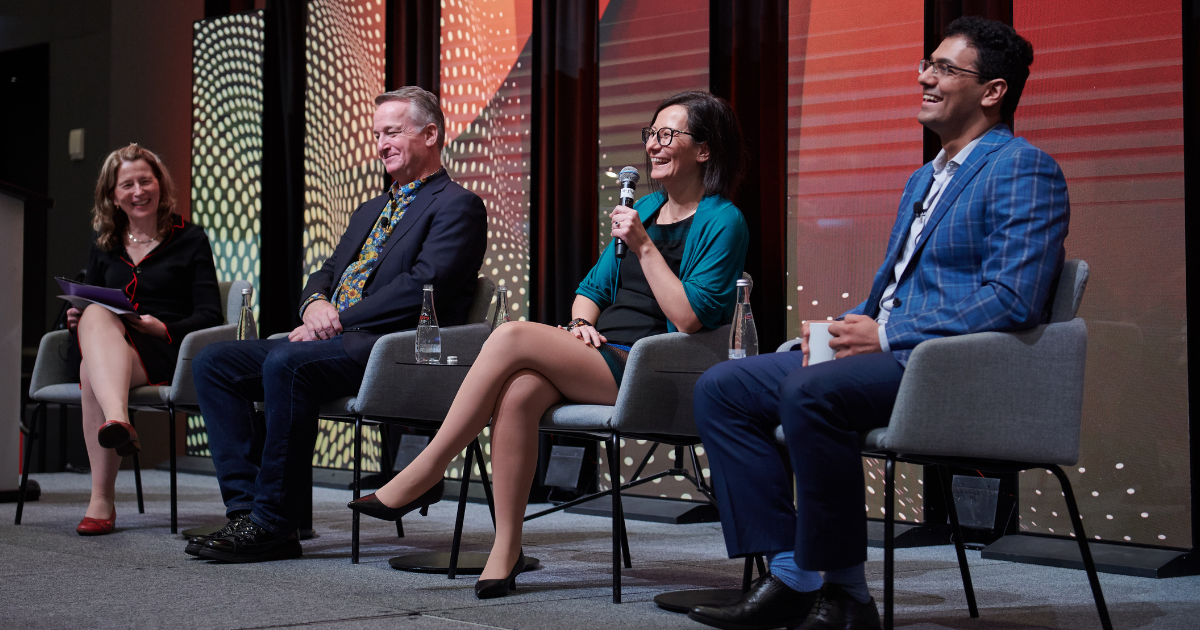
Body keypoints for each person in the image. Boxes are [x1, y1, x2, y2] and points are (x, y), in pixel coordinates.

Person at [689, 17, 1068, 630]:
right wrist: (841, 330)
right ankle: (791, 573)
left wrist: (887, 334)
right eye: (927, 63)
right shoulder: (926, 177)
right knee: (721, 388)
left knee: (809, 392)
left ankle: (847, 597)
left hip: (947, 368)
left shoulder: (1024, 168)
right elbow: (896, 292)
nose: (924, 76)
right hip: (885, 353)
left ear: (993, 91)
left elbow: (1013, 299)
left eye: (945, 68)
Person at [349, 91, 750, 598]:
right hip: (603, 354)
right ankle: (507, 548)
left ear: (705, 150)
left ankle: (427, 469)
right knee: (519, 391)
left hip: (655, 367)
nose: (653, 145)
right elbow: (592, 289)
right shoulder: (644, 206)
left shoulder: (723, 220)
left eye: (668, 135)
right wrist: (581, 323)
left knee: (513, 334)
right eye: (651, 133)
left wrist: (644, 245)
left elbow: (690, 317)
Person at [190, 86, 487, 562]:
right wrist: (313, 305)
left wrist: (334, 320)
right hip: (333, 339)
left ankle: (274, 522)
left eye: (392, 132)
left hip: (397, 347)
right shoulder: (371, 209)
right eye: (377, 135)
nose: (381, 144)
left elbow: (422, 287)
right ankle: (247, 513)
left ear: (431, 134)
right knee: (213, 362)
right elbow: (326, 272)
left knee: (287, 363)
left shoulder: (457, 205)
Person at [68, 144, 223, 536]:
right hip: (111, 349)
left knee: (91, 372)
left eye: (145, 180)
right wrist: (73, 316)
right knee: (94, 317)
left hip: (163, 350)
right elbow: (89, 295)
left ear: (159, 184)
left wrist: (161, 327)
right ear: (112, 195)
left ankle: (101, 501)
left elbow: (210, 315)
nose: (138, 191)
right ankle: (119, 419)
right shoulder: (105, 242)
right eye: (127, 185)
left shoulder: (190, 238)